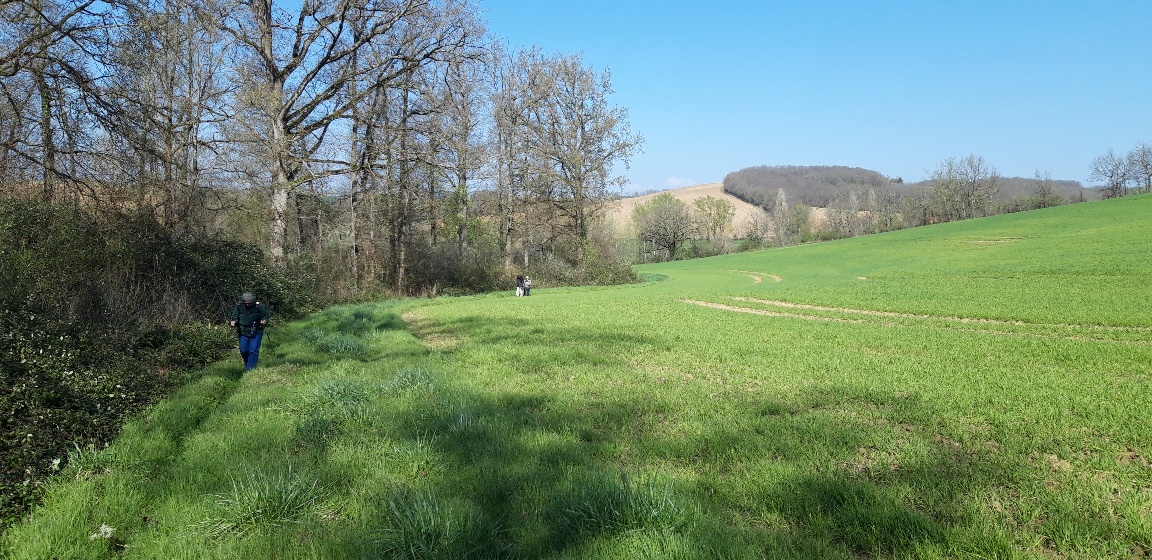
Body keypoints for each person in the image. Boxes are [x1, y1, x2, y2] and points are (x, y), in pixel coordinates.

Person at [230, 292, 269, 370]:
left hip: (256, 331)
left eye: (250, 303)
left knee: (253, 350)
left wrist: (264, 321)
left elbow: (265, 317)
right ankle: (248, 363)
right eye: (246, 303)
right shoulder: (239, 306)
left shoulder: (259, 306)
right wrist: (233, 322)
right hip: (243, 331)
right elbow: (235, 317)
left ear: (253, 301)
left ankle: (250, 369)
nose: (248, 304)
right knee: (243, 350)